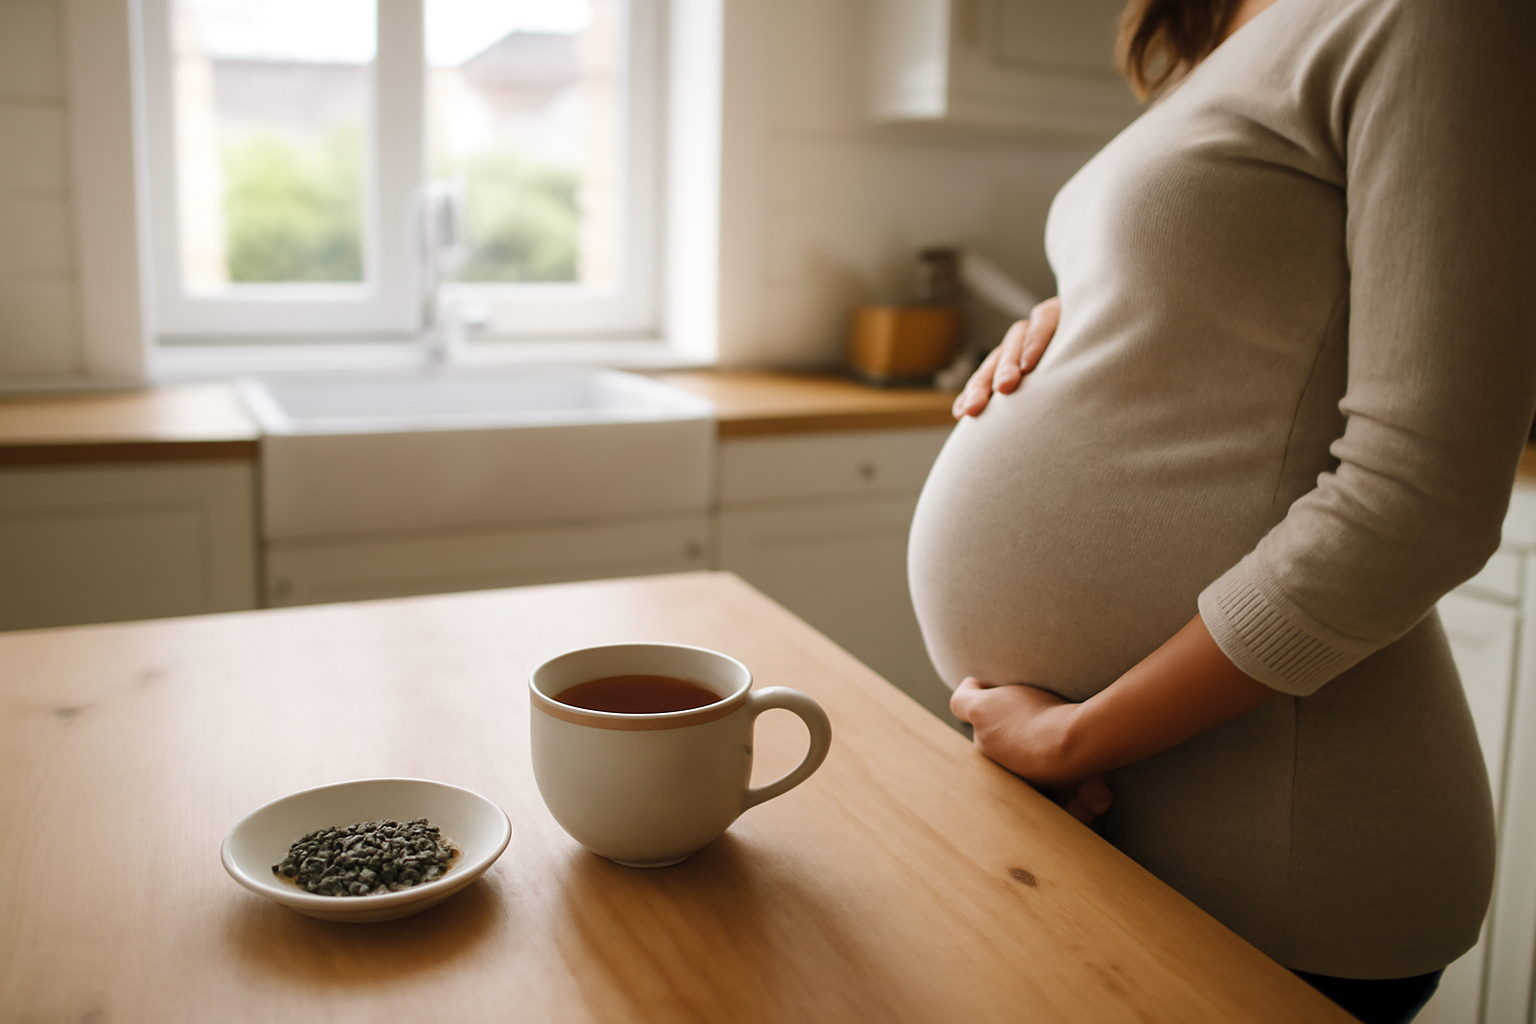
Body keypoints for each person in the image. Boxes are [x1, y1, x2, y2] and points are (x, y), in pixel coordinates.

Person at [905, 0, 1536, 1021]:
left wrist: (1077, 738)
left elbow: (1423, 497)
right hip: (1109, 823)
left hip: (1279, 860)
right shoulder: (1227, 34)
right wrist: (1091, 316)